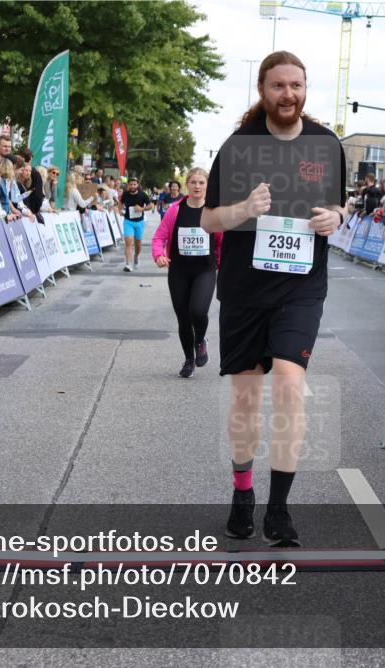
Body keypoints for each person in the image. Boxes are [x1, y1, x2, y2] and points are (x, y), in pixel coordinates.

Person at [201, 51, 347, 548]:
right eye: (279, 86)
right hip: (244, 288)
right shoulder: (240, 147)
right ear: (263, 90)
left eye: (297, 85)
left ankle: (279, 509)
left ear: (307, 89)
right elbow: (208, 221)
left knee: (288, 386)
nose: (289, 94)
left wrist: (337, 219)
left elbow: (338, 204)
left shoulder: (327, 145)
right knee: (246, 398)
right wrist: (243, 208)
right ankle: (243, 493)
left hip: (301, 287)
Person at [151, 168, 220, 378]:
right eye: (193, 182)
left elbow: (223, 242)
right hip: (179, 271)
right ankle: (189, 360)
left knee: (198, 311)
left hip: (205, 271)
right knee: (183, 318)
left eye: (201, 183)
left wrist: (222, 262)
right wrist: (159, 256)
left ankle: (200, 340)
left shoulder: (214, 211)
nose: (197, 186)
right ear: (186, 185)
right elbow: (158, 238)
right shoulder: (175, 210)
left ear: (207, 185)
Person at [120, 177, 151, 272]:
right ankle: (128, 264)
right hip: (128, 221)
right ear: (128, 185)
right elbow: (120, 203)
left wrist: (142, 209)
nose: (133, 186)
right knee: (128, 242)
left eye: (134, 184)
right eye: (131, 184)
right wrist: (119, 210)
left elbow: (150, 206)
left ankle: (136, 256)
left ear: (137, 185)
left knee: (138, 244)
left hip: (139, 222)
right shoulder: (125, 195)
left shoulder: (142, 195)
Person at [15, 147, 45, 217]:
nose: (28, 173)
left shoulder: (28, 181)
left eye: (29, 171)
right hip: (23, 212)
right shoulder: (16, 183)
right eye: (26, 170)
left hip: (27, 212)